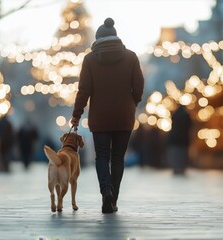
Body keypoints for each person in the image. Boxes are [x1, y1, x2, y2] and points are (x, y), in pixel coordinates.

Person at [70, 17, 144, 214]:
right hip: (124, 117)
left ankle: (106, 192)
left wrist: (76, 115)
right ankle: (113, 199)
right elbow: (138, 86)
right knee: (118, 158)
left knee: (102, 157)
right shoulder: (131, 57)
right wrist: (132, 103)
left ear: (97, 39)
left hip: (100, 118)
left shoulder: (90, 60)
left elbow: (83, 90)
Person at [166, 104, 192, 175]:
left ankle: (176, 168)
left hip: (174, 139)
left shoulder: (175, 114)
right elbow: (189, 125)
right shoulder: (186, 115)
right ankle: (181, 169)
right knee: (182, 155)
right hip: (183, 140)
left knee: (175, 155)